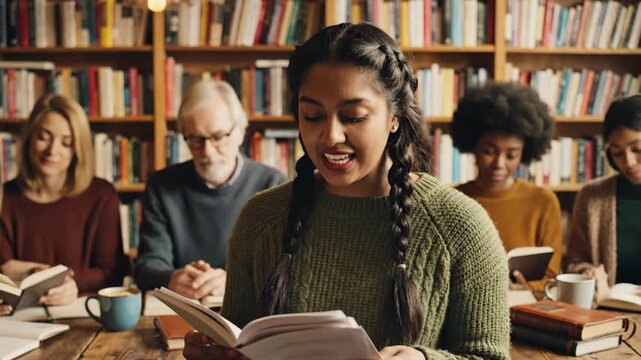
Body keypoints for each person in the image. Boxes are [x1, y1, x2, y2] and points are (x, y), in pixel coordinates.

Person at [184, 23, 510, 360]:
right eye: (312, 115)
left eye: (353, 116)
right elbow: (236, 338)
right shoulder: (261, 219)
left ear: (394, 116)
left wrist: (425, 359)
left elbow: (489, 356)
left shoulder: (460, 225)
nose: (330, 136)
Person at [134, 79, 286, 300]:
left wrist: (234, 281)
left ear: (241, 132)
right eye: (195, 140)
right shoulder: (161, 186)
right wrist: (171, 278)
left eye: (217, 137)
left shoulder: (273, 184)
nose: (207, 151)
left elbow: (284, 268)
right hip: (181, 310)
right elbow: (148, 265)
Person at [0, 94, 128, 312]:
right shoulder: (6, 196)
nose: (52, 150)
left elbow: (111, 272)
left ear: (78, 149)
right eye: (44, 137)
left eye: (66, 142)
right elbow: (4, 270)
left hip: (83, 314)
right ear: (30, 138)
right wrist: (50, 274)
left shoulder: (102, 195)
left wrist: (69, 282)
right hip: (19, 317)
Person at [451, 82, 562, 291]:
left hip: (526, 310)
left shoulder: (543, 201)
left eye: (511, 155)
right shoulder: (453, 199)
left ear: (525, 153)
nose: (499, 164)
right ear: (473, 146)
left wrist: (527, 288)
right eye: (489, 151)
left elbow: (552, 277)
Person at [566, 94, 641, 297]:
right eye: (617, 153)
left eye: (638, 149)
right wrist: (586, 273)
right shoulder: (591, 196)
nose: (629, 162)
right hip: (609, 313)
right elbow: (573, 262)